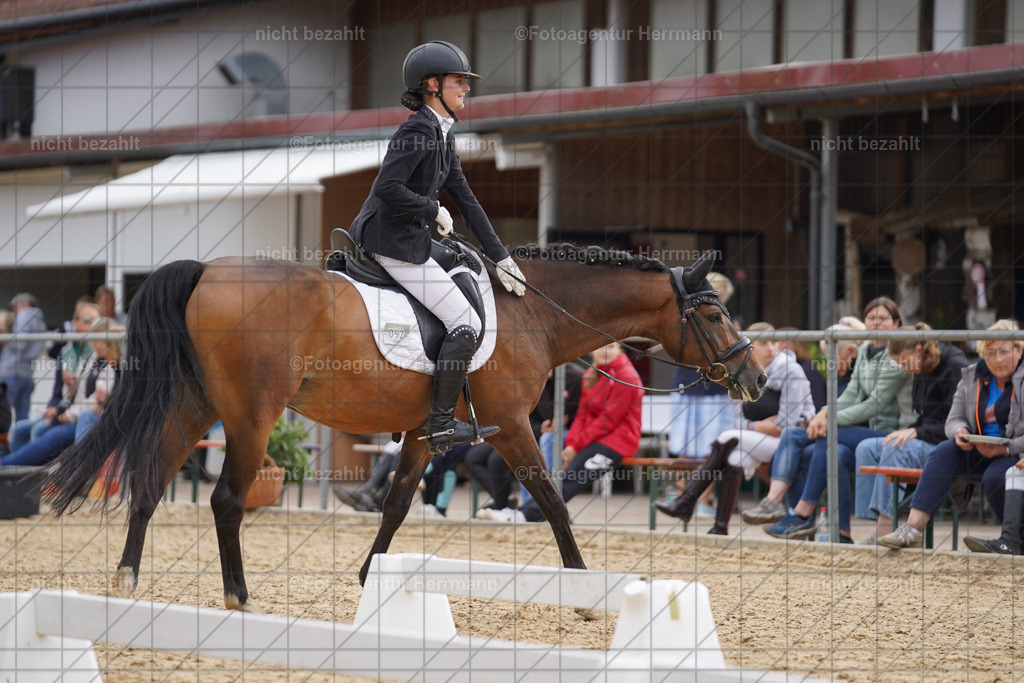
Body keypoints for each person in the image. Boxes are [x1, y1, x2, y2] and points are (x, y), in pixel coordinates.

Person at [348, 41, 525, 455]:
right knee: (465, 322)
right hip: (389, 243)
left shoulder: (442, 136)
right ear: (433, 85)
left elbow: (467, 199)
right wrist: (431, 209)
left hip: (411, 237)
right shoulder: (417, 130)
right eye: (459, 81)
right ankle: (442, 424)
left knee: (468, 263)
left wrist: (501, 257)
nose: (466, 88)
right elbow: (387, 188)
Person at [766, 298, 911, 542]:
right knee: (833, 451)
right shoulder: (865, 350)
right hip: (865, 435)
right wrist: (824, 413)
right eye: (871, 317)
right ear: (864, 322)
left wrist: (829, 420)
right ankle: (840, 533)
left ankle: (801, 515)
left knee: (827, 436)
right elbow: (852, 394)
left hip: (893, 433)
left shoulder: (896, 356)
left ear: (896, 323)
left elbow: (873, 405)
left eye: (883, 318)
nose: (876, 322)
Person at [654, 323, 814, 534]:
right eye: (763, 343)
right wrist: (757, 426)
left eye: (774, 342)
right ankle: (720, 527)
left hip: (791, 440)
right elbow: (738, 419)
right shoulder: (745, 370)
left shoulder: (790, 370)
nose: (771, 348)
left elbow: (786, 424)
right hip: (757, 438)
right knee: (733, 458)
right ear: (750, 347)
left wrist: (752, 426)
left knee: (727, 437)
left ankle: (686, 501)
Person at [879, 319, 1024, 550]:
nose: (997, 359)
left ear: (1019, 349)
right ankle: (912, 529)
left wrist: (1007, 448)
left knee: (995, 478)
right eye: (991, 353)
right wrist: (960, 431)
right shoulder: (972, 376)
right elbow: (953, 418)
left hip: (1014, 451)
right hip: (979, 447)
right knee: (943, 452)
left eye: (1004, 351)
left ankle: (1013, 540)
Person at [478, 342, 642, 523]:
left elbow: (608, 420)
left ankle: (527, 514)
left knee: (572, 476)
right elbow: (582, 414)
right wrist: (572, 444)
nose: (604, 351)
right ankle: (529, 507)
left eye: (611, 347)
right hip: (594, 437)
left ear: (620, 349)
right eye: (601, 346)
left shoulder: (626, 376)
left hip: (617, 442)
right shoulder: (591, 374)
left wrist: (576, 445)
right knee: (550, 441)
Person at [742, 317, 864, 524]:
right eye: (826, 357)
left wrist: (824, 415)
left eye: (833, 357)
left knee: (819, 449)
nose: (830, 364)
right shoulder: (844, 372)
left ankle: (799, 517)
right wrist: (825, 415)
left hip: (851, 431)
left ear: (852, 351)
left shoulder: (802, 370)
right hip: (827, 427)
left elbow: (863, 406)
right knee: (798, 444)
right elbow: (840, 403)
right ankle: (788, 514)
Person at [854, 324, 968, 544]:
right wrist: (911, 430)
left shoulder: (954, 366)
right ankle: (875, 521)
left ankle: (883, 530)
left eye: (905, 362)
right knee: (866, 447)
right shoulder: (922, 365)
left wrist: (915, 431)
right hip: (927, 437)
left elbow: (958, 424)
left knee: (896, 446)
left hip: (948, 445)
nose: (905, 369)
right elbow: (925, 416)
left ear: (918, 349)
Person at [1, 318, 122, 467]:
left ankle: (8, 466)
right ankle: (18, 473)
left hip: (84, 418)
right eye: (95, 340)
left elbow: (96, 403)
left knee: (47, 435)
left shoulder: (111, 366)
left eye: (99, 340)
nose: (95, 344)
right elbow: (69, 394)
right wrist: (69, 384)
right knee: (24, 429)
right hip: (71, 412)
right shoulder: (92, 359)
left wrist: (68, 414)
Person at [12, 300, 101, 450]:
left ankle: (37, 471)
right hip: (61, 407)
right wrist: (52, 407)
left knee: (39, 429)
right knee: (18, 430)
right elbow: (57, 391)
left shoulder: (99, 352)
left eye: (97, 321)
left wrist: (60, 407)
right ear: (75, 323)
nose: (92, 325)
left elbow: (92, 396)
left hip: (77, 413)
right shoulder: (66, 350)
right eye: (87, 320)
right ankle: (19, 472)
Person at [0, 293, 47, 421]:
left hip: (11, 373)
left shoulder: (26, 314)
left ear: (25, 302)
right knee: (22, 417)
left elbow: (19, 343)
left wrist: (4, 336)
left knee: (3, 413)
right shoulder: (40, 320)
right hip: (27, 374)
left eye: (14, 306)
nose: (13, 311)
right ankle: (21, 441)